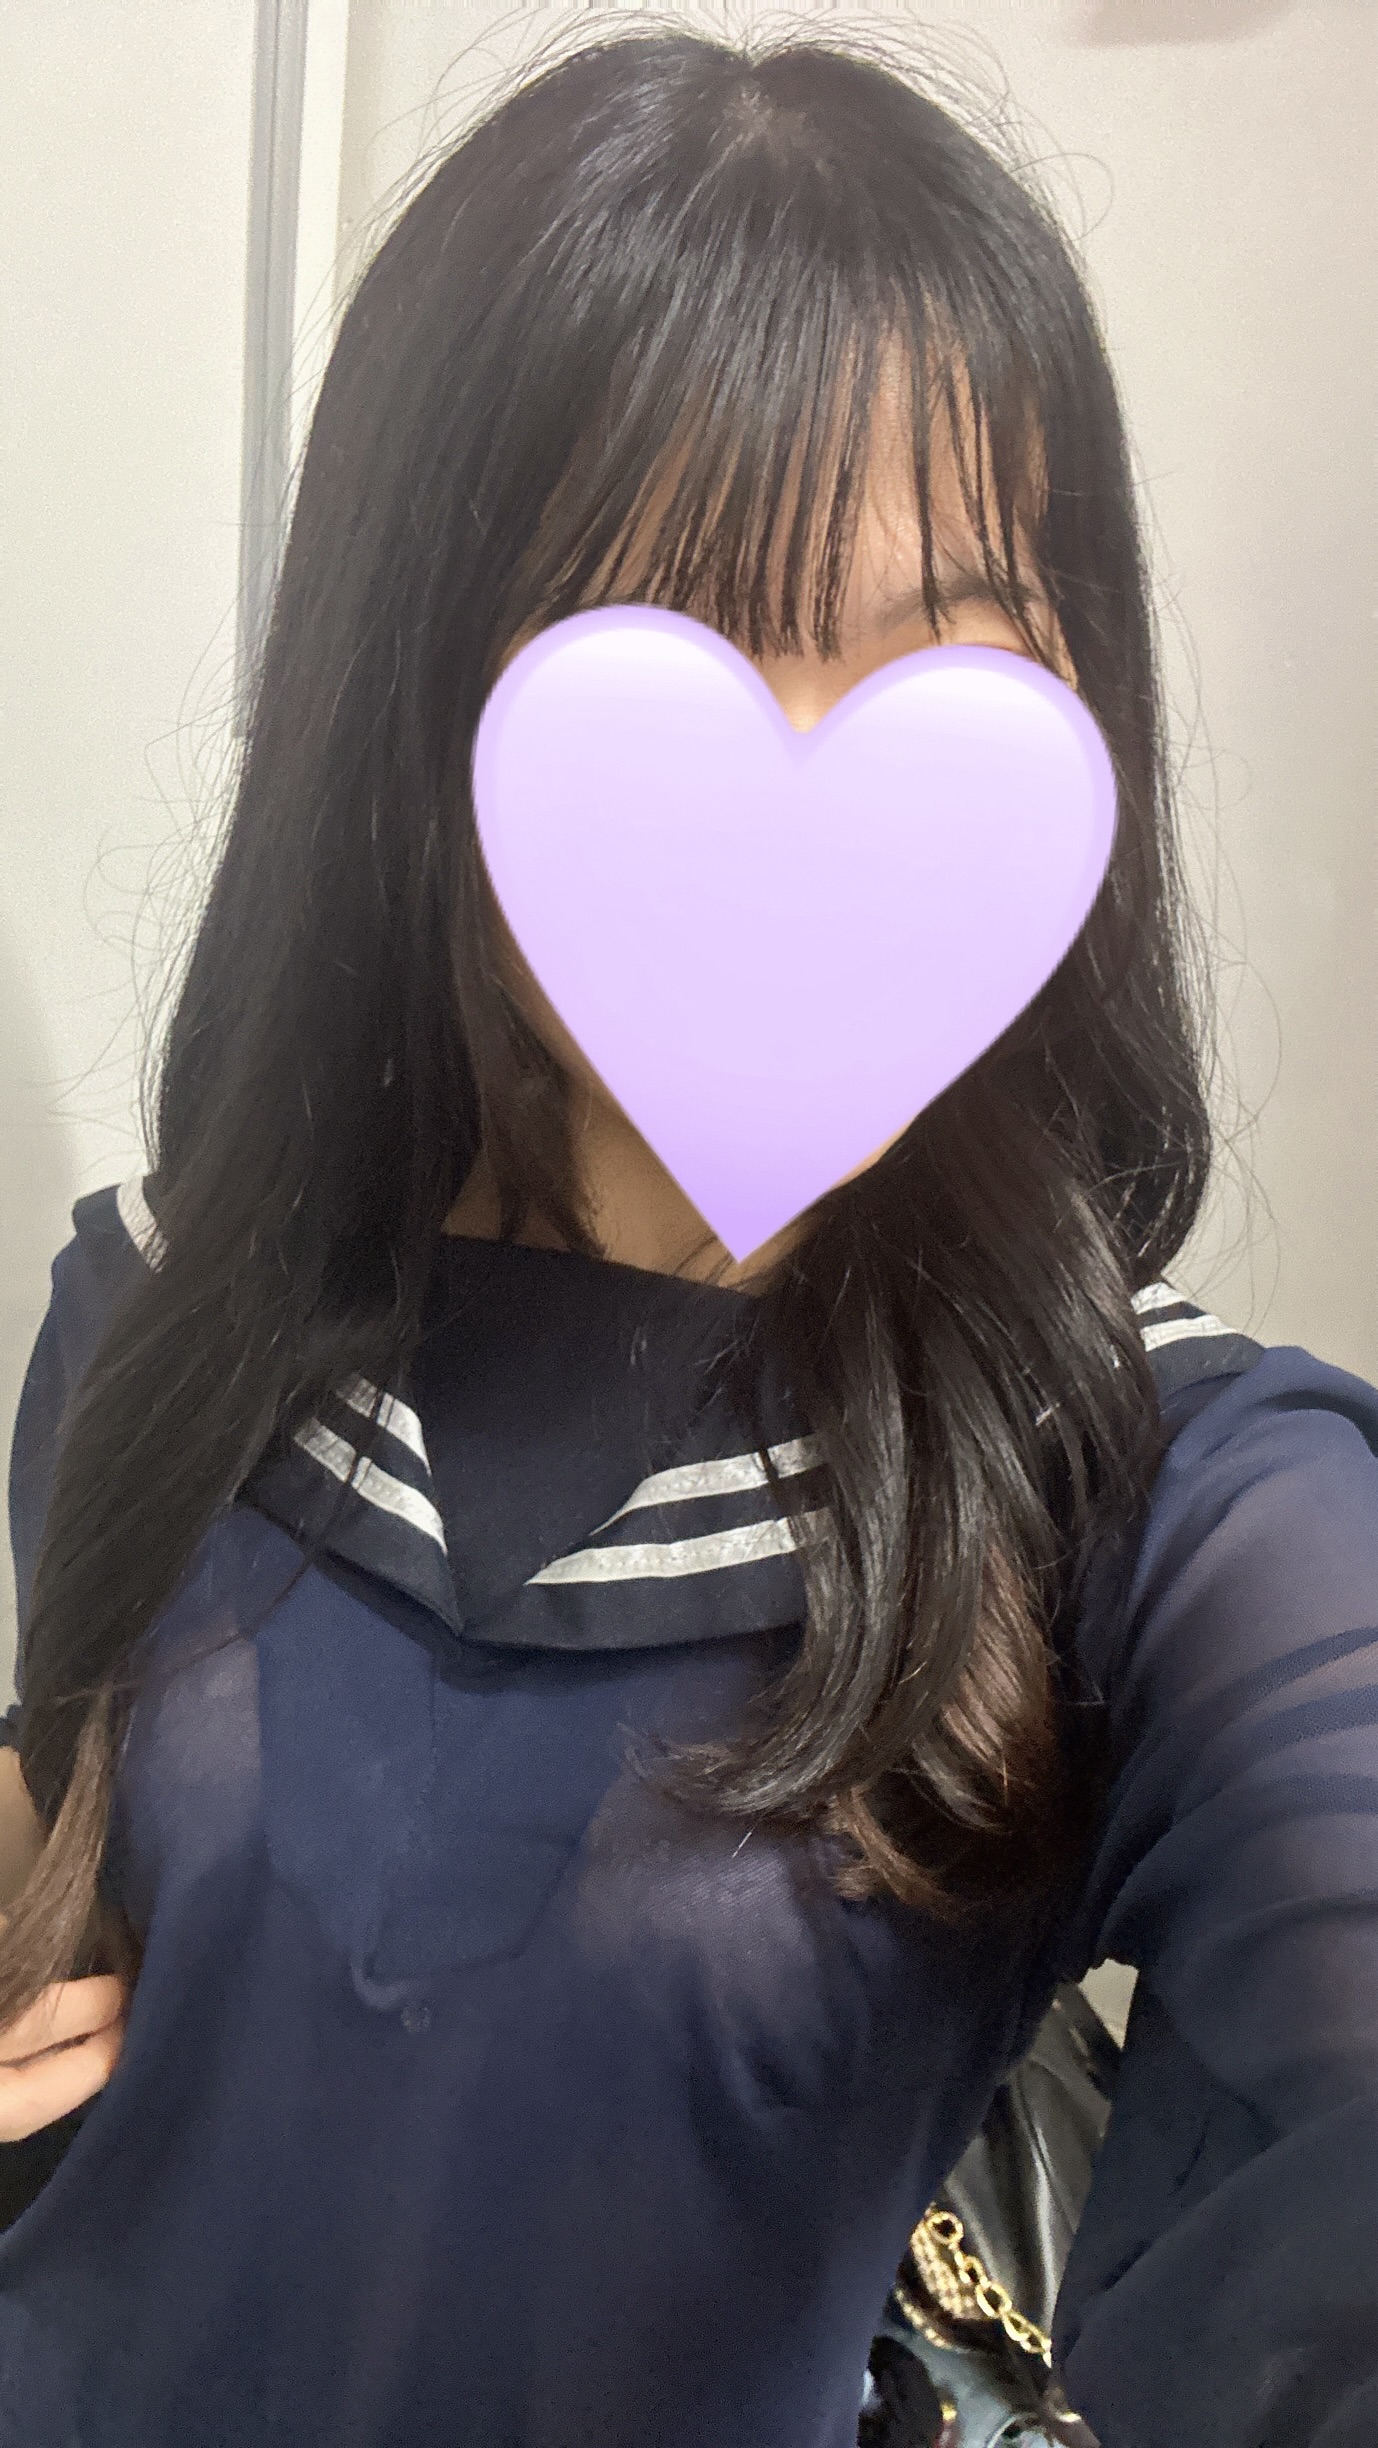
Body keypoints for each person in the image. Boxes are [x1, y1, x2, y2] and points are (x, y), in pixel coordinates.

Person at [2, 27, 1376, 2448]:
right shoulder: (163, 1304)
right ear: (412, 691)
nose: (810, 756)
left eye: (944, 644)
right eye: (668, 633)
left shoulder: (1151, 1491)